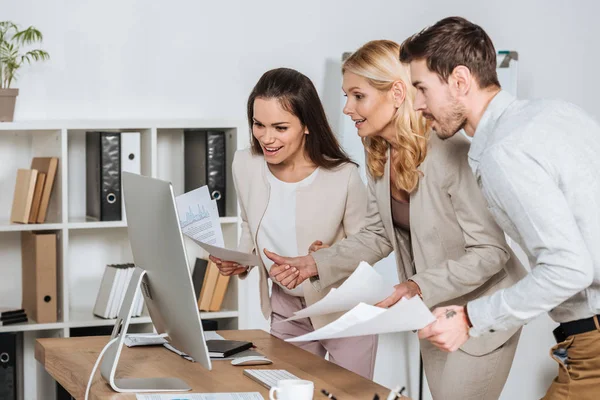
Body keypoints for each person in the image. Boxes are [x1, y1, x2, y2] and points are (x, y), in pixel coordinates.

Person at [265, 40, 526, 400]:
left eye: (358, 96)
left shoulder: (451, 152)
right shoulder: (381, 156)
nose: (347, 108)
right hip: (432, 312)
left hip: (480, 312)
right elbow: (378, 235)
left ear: (397, 92)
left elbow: (491, 252)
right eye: (346, 96)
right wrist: (314, 264)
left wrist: (416, 286)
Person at [400, 16, 600, 400]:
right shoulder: (557, 113)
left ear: (460, 81)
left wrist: (471, 317)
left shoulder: (504, 153)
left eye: (422, 89)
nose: (419, 105)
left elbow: (570, 268)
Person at [208, 67, 377, 379]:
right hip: (287, 307)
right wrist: (241, 262)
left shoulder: (343, 177)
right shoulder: (244, 164)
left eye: (280, 127)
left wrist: (326, 256)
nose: (266, 137)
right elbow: (250, 223)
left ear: (307, 126)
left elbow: (368, 243)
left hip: (344, 309)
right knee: (286, 389)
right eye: (259, 124)